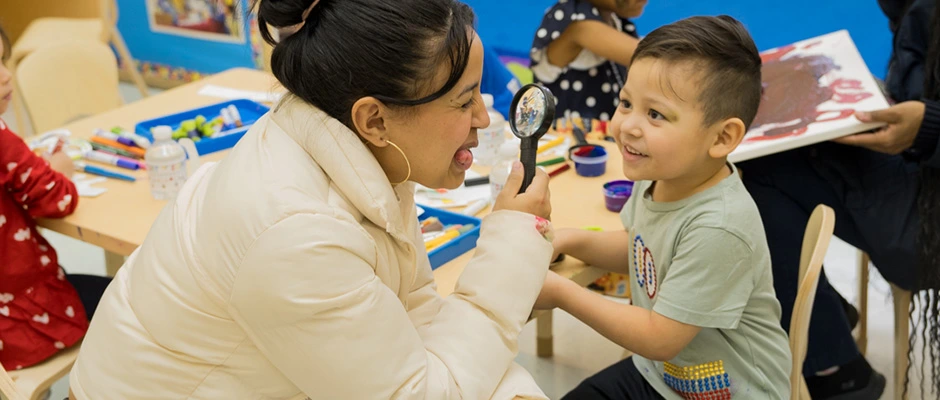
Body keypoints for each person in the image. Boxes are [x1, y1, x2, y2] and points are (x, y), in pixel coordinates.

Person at [68, 0, 555, 399]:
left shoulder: (360, 152)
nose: (483, 118)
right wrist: (511, 244)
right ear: (375, 120)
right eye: (464, 100)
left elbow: (418, 321)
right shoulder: (296, 233)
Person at [536, 16, 791, 399]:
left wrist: (560, 293)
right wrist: (568, 240)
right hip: (660, 376)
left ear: (722, 137)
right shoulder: (659, 175)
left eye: (655, 114)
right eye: (626, 103)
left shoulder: (718, 227)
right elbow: (642, 248)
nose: (628, 126)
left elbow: (659, 338)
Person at [739, 1, 938, 397]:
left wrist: (928, 123)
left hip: (928, 215)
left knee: (763, 172)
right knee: (762, 159)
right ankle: (826, 331)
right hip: (916, 159)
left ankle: (831, 357)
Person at [0, 22, 111, 371]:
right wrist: (58, 168)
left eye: (3, 61)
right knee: (129, 296)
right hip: (22, 325)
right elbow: (60, 200)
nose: (6, 76)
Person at [529, 0, 647, 122]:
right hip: (569, 132)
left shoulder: (615, 21)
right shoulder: (576, 21)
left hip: (603, 130)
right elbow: (650, 59)